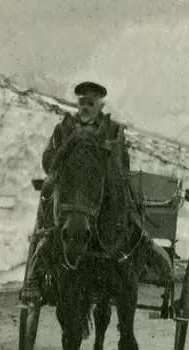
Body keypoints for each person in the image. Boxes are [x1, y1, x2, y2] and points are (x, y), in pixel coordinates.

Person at [21, 82, 134, 304]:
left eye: (90, 103)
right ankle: (43, 248)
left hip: (100, 193)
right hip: (71, 191)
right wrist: (66, 150)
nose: (85, 108)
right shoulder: (63, 128)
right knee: (49, 188)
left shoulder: (113, 130)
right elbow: (48, 162)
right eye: (82, 102)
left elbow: (123, 168)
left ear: (100, 105)